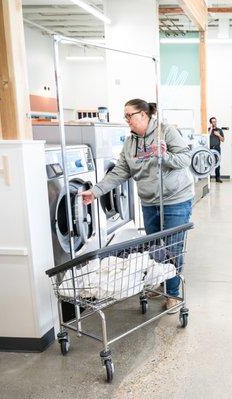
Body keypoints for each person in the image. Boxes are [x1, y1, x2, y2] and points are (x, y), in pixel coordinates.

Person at [79, 99, 194, 314]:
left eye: (129, 115)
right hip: (149, 201)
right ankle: (160, 280)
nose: (127, 120)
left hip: (175, 199)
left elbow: (186, 159)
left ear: (143, 115)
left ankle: (172, 293)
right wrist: (95, 192)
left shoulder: (165, 132)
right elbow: (120, 171)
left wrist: (164, 155)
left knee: (173, 247)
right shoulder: (130, 142)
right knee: (156, 247)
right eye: (125, 116)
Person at [208, 117, 225, 183]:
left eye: (215, 121)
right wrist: (211, 129)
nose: (214, 123)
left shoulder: (219, 130)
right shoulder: (208, 130)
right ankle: (208, 177)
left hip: (217, 148)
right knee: (209, 162)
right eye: (213, 122)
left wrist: (218, 135)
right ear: (210, 123)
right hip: (210, 148)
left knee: (217, 163)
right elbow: (206, 137)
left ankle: (217, 178)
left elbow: (223, 140)